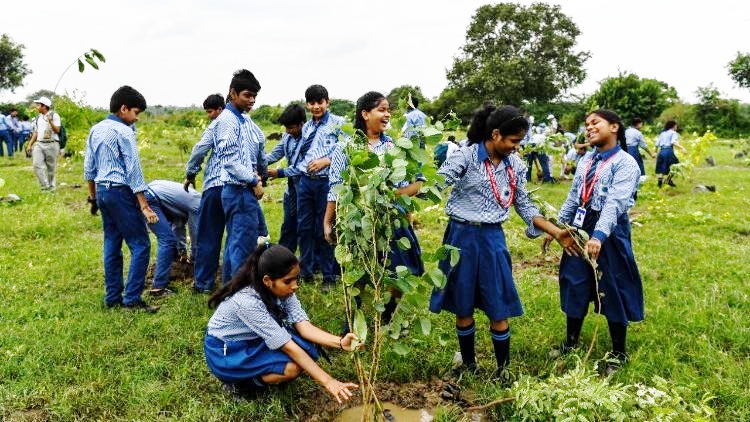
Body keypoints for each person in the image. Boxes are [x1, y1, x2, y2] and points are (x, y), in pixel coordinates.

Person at [429, 104, 575, 377]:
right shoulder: (465, 156)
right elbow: (434, 184)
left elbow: (524, 204)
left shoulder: (515, 165)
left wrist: (555, 232)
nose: (516, 147)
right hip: (460, 237)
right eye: (513, 141)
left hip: (492, 240)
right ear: (495, 134)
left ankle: (502, 370)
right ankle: (469, 365)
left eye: (520, 142)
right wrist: (401, 191)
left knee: (498, 305)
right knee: (463, 303)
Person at [550, 109, 643, 374]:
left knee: (612, 284)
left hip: (610, 231)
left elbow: (615, 203)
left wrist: (599, 236)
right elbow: (574, 196)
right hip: (580, 226)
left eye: (595, 123)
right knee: (575, 280)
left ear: (614, 127)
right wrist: (557, 227)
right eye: (586, 124)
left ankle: (618, 353)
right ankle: (570, 343)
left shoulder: (625, 163)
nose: (589, 128)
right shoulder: (586, 160)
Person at [204, 244, 359, 402]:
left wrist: (341, 342)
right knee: (292, 367)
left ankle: (258, 372)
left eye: (296, 278)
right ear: (268, 281)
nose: (295, 286)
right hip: (226, 350)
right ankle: (240, 385)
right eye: (288, 281)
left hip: (252, 340)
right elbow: (288, 347)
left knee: (305, 349)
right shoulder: (247, 302)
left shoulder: (284, 290)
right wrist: (329, 382)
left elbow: (304, 327)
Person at [324, 91, 425, 319]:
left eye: (389, 110)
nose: (387, 114)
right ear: (365, 114)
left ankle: (388, 315)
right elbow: (336, 188)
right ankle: (354, 317)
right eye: (382, 110)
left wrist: (407, 216)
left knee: (399, 271)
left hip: (391, 219)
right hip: (359, 220)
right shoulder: (346, 147)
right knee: (357, 271)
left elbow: (402, 187)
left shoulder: (394, 148)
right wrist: (328, 221)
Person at [83, 86, 159, 312]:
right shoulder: (124, 132)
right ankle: (132, 299)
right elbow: (133, 170)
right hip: (120, 192)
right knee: (141, 245)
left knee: (112, 243)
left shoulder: (96, 129)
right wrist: (144, 205)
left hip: (103, 192)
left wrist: (93, 198)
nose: (136, 118)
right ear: (124, 108)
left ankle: (113, 297)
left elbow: (89, 168)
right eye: (136, 112)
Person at [268, 85, 343, 288]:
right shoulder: (307, 128)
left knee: (324, 228)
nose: (316, 106)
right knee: (304, 227)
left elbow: (347, 149)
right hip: (305, 182)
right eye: (312, 103)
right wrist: (283, 172)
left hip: (326, 182)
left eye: (320, 102)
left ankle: (329, 276)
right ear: (307, 105)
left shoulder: (338, 124)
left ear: (328, 102)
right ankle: (306, 271)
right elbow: (303, 160)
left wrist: (327, 160)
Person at [213, 70, 264, 283]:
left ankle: (229, 291)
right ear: (233, 93)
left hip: (239, 192)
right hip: (239, 191)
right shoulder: (228, 120)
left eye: (254, 96)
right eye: (247, 95)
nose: (251, 100)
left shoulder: (241, 119)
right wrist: (253, 180)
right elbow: (230, 162)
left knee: (235, 244)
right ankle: (241, 295)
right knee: (243, 249)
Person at [185, 94, 228, 294]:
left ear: (220, 109)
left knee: (208, 236)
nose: (209, 116)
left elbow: (199, 150)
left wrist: (191, 173)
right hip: (240, 188)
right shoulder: (247, 124)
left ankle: (203, 283)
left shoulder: (217, 124)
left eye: (211, 111)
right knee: (235, 239)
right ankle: (232, 283)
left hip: (216, 186)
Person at [144, 179, 201, 297]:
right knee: (167, 241)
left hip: (147, 195)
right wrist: (195, 258)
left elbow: (178, 225)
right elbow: (197, 238)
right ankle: (158, 287)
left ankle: (173, 264)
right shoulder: (199, 205)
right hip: (151, 198)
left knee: (168, 240)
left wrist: (182, 252)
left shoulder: (183, 204)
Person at [266, 104, 306, 253]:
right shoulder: (287, 137)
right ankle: (284, 257)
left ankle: (309, 261)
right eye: (286, 128)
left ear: (301, 124)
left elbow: (303, 167)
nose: (288, 131)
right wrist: (256, 164)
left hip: (306, 190)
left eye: (291, 128)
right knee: (288, 225)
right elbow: (274, 155)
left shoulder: (309, 139)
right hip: (291, 190)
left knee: (305, 227)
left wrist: (280, 172)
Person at [26, 98, 62, 190]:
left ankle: (51, 187)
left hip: (52, 143)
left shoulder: (54, 115)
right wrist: (30, 144)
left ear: (44, 106)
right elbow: (36, 132)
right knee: (36, 164)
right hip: (39, 144)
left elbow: (57, 130)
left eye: (38, 105)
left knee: (51, 167)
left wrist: (50, 121)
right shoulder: (38, 118)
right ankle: (44, 186)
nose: (37, 107)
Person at [655, 120, 686, 188]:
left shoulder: (662, 133)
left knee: (662, 166)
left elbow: (657, 144)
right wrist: (682, 148)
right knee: (676, 165)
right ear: (673, 126)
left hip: (661, 151)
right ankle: (668, 180)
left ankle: (660, 181)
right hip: (668, 151)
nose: (676, 127)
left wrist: (655, 152)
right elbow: (673, 142)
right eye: (676, 126)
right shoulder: (673, 133)